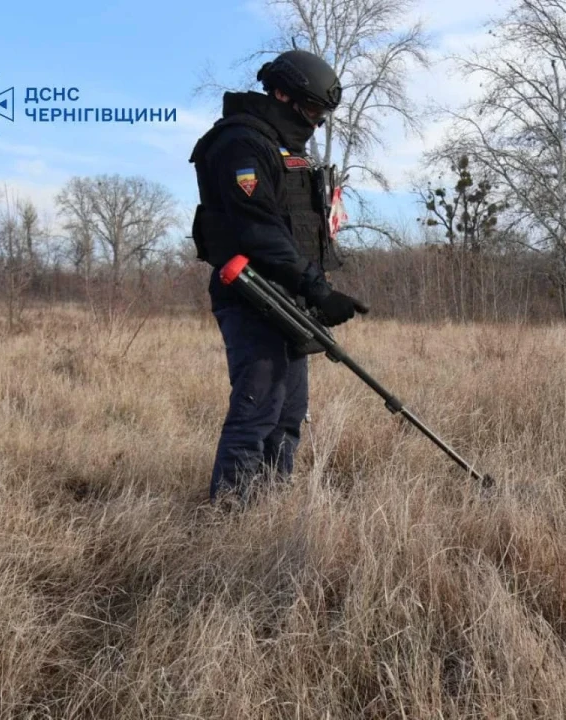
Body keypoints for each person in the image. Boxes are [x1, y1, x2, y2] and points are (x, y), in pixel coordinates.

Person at [189, 49, 368, 507]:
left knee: (289, 415)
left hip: (288, 299)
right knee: (258, 411)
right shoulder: (240, 144)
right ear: (281, 94)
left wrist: (313, 287)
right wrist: (320, 290)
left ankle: (267, 511)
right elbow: (259, 230)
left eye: (322, 115)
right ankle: (230, 518)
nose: (316, 122)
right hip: (250, 295)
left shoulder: (286, 149)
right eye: (311, 111)